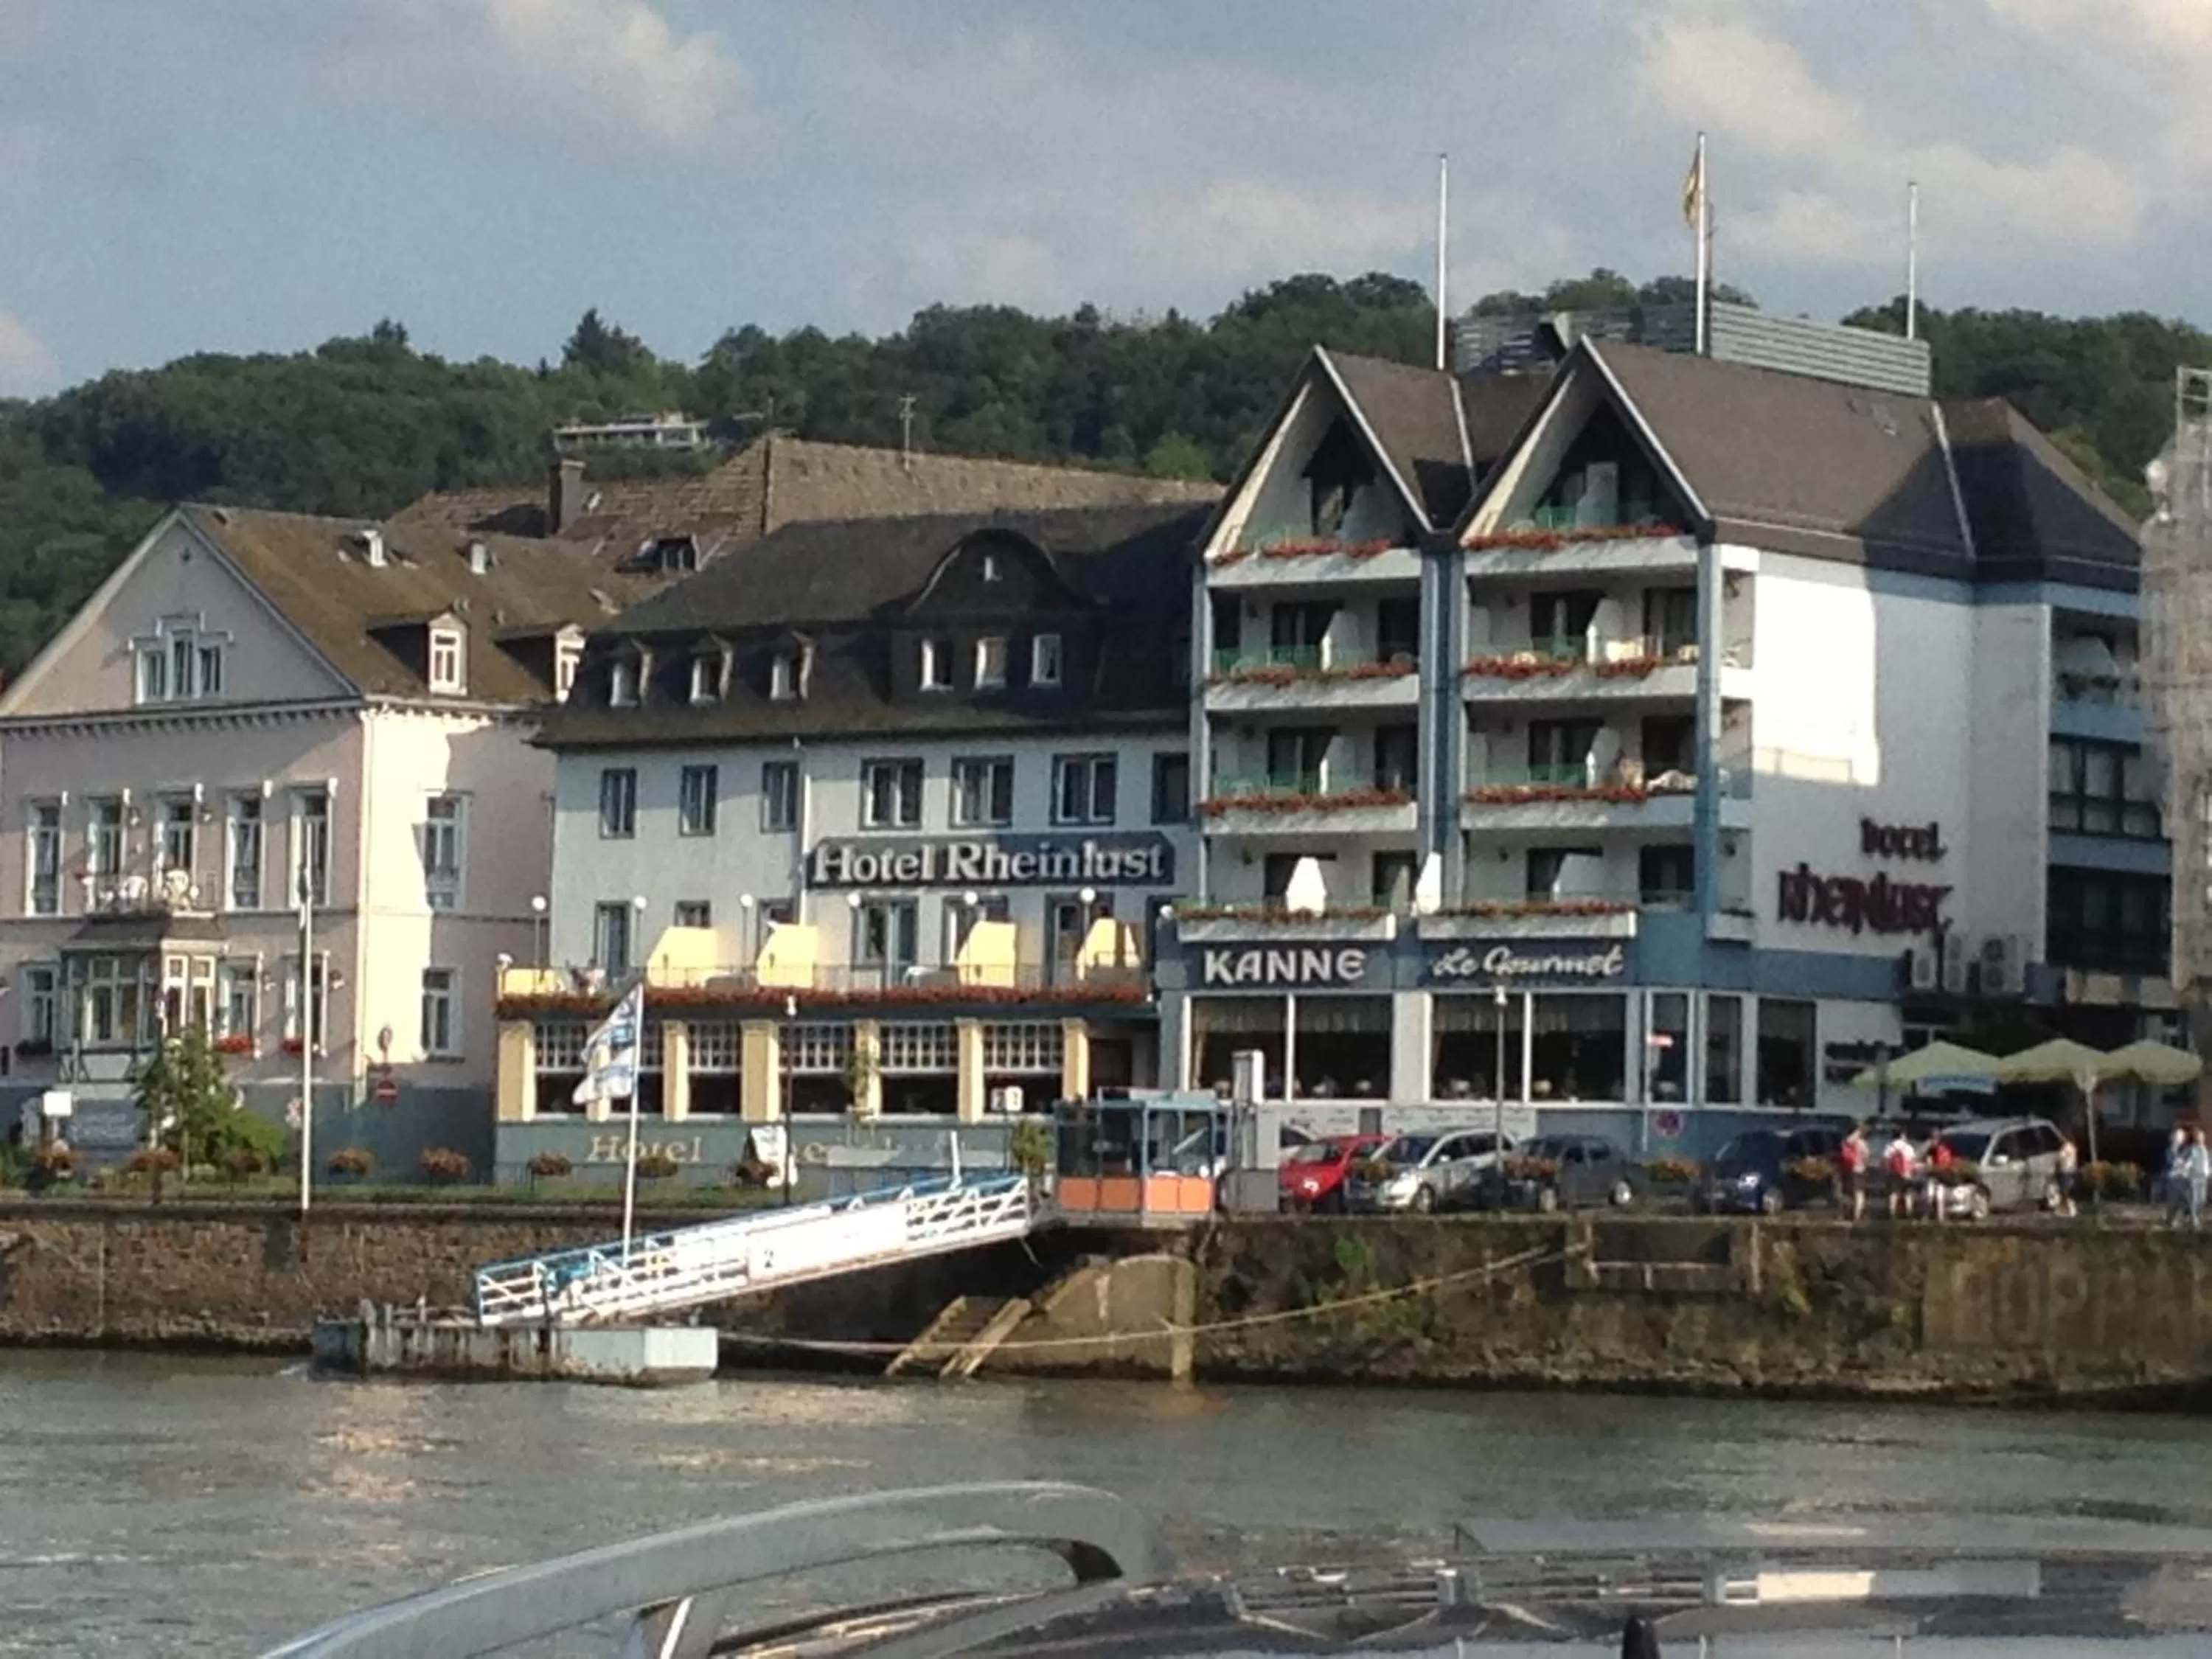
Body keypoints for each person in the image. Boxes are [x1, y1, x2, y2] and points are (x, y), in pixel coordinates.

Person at [1838, 1122, 1870, 1222]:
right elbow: (1866, 1156)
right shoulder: (1861, 1143)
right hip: (1859, 1169)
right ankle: (1857, 1215)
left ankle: (1845, 1214)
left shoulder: (1846, 1141)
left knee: (1847, 1193)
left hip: (1847, 1169)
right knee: (1859, 1193)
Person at [1883, 1126, 1916, 1219]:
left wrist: (1887, 1171)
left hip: (1893, 1173)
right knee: (1908, 1193)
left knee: (1894, 1193)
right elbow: (1912, 1161)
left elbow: (1886, 1160)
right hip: (1906, 1173)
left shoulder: (1890, 1146)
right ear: (1902, 1135)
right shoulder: (1908, 1147)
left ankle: (1892, 1213)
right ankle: (1909, 1213)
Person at [1924, 1131, 1956, 1222]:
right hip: (1943, 1175)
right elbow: (1950, 1162)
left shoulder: (1932, 1150)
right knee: (1940, 1197)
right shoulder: (1946, 1148)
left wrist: (1925, 1168)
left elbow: (1929, 1164)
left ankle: (1927, 1216)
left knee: (1930, 1196)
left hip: (1934, 1176)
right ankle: (1940, 1218)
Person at [2185, 1128, 2211, 1232]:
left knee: (2202, 1200)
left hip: (2204, 1178)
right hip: (2195, 1177)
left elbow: (2209, 1164)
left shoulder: (2207, 1151)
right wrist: (2186, 1166)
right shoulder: (2192, 1150)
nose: (2200, 1138)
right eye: (2199, 1136)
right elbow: (2189, 1161)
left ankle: (2192, 1216)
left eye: (2202, 1136)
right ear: (2196, 1138)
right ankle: (2195, 1221)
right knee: (2194, 1199)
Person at [2163, 1127, 2190, 1227]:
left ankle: (2185, 1216)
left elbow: (2188, 1163)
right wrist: (2180, 1163)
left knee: (2184, 1198)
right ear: (2173, 1137)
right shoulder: (2169, 1150)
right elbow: (2171, 1163)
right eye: (2177, 1136)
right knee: (2173, 1200)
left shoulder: (2185, 1150)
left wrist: (2182, 1164)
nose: (2179, 1138)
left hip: (2182, 1178)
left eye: (2181, 1136)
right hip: (2172, 1178)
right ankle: (2170, 1220)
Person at [2054, 1132, 2079, 1217]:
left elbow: (2060, 1158)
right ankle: (2067, 1209)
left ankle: (2069, 1210)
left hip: (2065, 1171)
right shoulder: (2073, 1147)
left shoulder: (2065, 1148)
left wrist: (2056, 1169)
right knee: (2067, 1191)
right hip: (2071, 1170)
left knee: (2065, 1192)